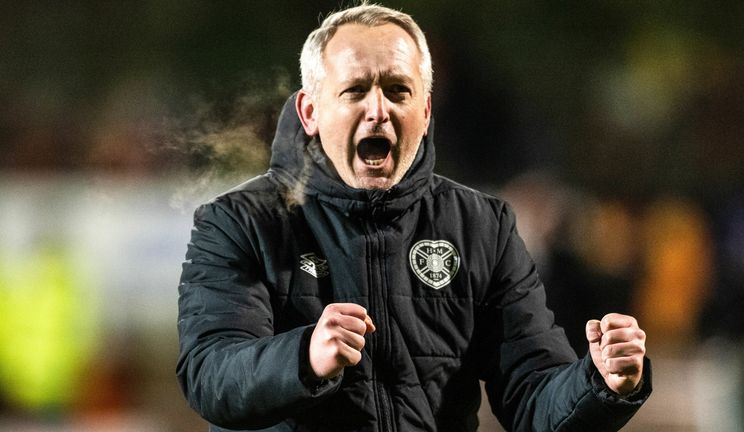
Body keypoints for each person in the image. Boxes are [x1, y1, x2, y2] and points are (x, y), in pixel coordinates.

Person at [176, 3, 651, 431]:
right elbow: (211, 375)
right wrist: (304, 356)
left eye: (398, 90)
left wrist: (603, 382)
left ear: (424, 111)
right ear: (310, 111)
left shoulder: (481, 226)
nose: (378, 110)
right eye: (355, 90)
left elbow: (533, 397)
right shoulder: (239, 222)